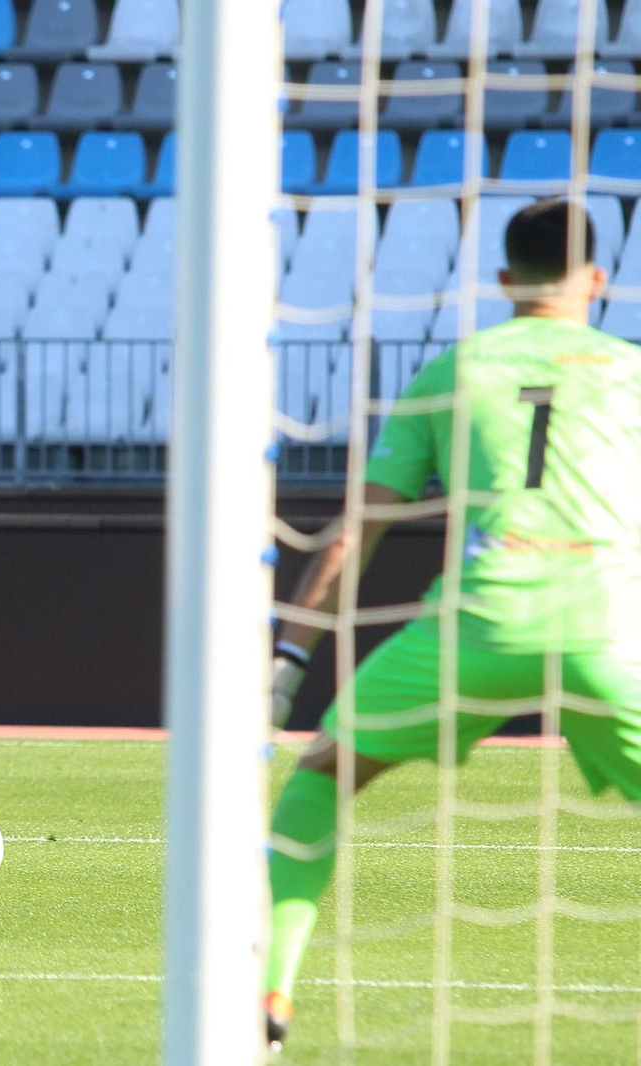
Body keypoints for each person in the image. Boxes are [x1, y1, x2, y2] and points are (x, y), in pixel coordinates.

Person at [264, 198, 641, 1048]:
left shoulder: (454, 370)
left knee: (320, 777)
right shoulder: (629, 372)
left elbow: (358, 530)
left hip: (476, 627)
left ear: (504, 280)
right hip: (607, 632)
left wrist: (290, 658)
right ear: (597, 280)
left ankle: (270, 996)